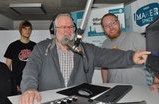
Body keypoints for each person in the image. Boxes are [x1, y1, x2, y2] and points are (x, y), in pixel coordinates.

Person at [19, 13, 150, 104]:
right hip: (49, 100)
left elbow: (109, 55)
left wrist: (131, 56)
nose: (68, 31)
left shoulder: (87, 49)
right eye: (63, 27)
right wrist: (30, 88)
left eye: (71, 27)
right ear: (54, 30)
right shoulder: (42, 48)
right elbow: (31, 69)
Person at [100, 13, 152, 85]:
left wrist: (156, 81)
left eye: (113, 23)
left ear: (118, 22)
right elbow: (104, 67)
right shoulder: (105, 44)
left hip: (137, 88)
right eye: (106, 26)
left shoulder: (135, 37)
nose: (111, 27)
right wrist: (105, 84)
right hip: (114, 88)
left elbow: (154, 58)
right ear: (104, 30)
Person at [4, 20, 36, 93]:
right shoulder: (13, 46)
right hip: (17, 83)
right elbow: (7, 67)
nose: (27, 31)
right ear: (20, 30)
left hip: (32, 82)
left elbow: (39, 66)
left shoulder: (35, 46)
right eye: (25, 28)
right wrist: (13, 84)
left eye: (29, 29)